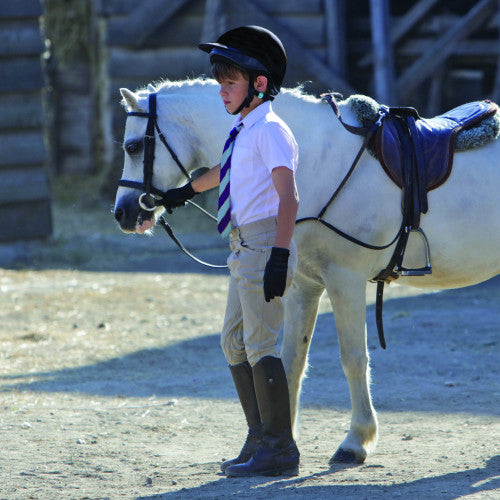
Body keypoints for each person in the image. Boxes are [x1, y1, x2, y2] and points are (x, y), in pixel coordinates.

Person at [161, 25, 299, 477]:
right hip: (242, 243)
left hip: (263, 244)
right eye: (220, 83)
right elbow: (225, 170)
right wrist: (182, 192)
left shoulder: (272, 131)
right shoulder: (245, 129)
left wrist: (280, 254)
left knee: (259, 343)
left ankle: (279, 449)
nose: (222, 92)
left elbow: (289, 199)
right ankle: (259, 437)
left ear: (259, 85)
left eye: (230, 83)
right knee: (233, 341)